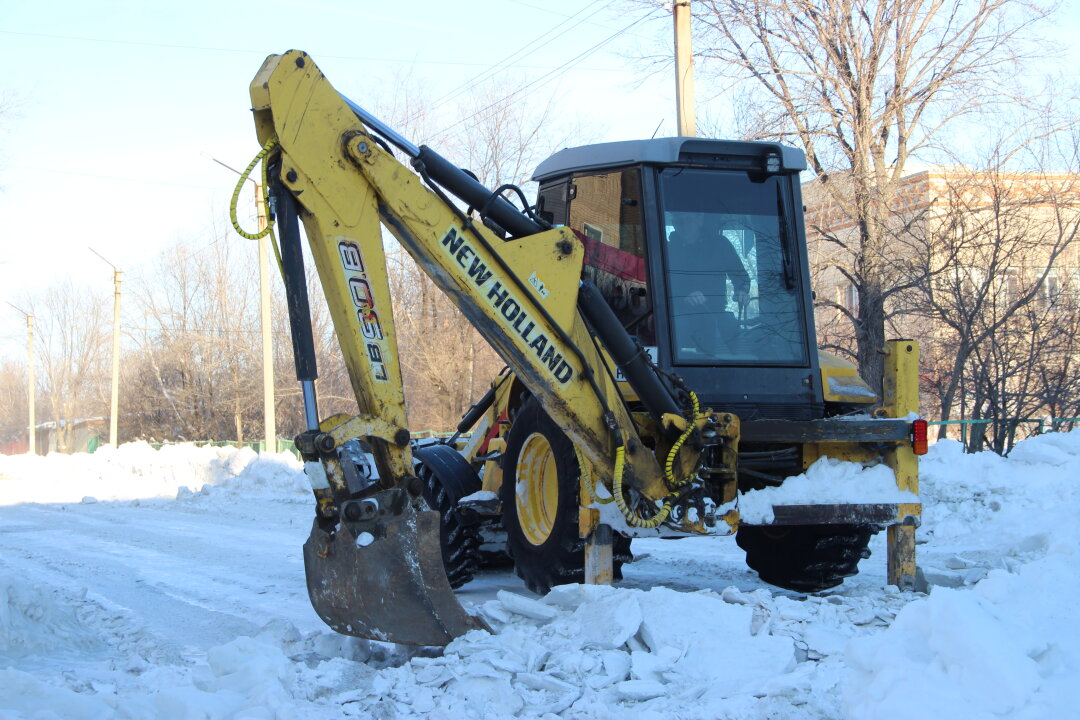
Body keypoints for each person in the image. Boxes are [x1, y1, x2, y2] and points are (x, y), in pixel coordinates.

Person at [666, 212, 750, 356]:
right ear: (673, 223)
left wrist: (742, 290)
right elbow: (660, 287)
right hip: (679, 316)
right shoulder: (666, 250)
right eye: (679, 221)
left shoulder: (720, 245)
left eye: (688, 219)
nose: (684, 225)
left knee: (739, 341)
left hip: (717, 314)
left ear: (700, 221)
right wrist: (684, 296)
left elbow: (740, 276)